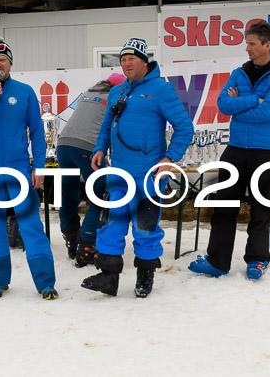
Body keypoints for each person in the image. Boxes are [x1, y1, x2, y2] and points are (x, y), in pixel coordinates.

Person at [82, 38, 193, 298]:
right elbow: (107, 125)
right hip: (119, 174)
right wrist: (100, 148)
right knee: (111, 224)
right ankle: (108, 277)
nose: (126, 63)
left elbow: (184, 128)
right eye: (122, 59)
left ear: (145, 61)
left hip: (148, 176)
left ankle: (145, 274)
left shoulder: (161, 90)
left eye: (132, 58)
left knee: (145, 227)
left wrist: (169, 159)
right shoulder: (116, 91)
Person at [188, 20, 270, 281]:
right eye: (246, 43)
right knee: (223, 205)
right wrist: (253, 100)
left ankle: (256, 261)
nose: (247, 48)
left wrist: (240, 106)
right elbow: (223, 104)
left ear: (267, 45)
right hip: (235, 150)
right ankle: (217, 261)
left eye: (252, 43)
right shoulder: (239, 72)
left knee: (261, 209)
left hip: (266, 151)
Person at [0, 35, 58, 300]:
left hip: (19, 168)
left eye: (2, 60)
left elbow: (37, 131)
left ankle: (45, 282)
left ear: (10, 63)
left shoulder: (25, 92)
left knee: (30, 225)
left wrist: (38, 166)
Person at [56, 73, 126, 267]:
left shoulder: (89, 93)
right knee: (99, 195)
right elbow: (113, 129)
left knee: (69, 194)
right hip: (87, 148)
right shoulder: (116, 98)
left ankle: (71, 240)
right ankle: (86, 246)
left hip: (63, 145)